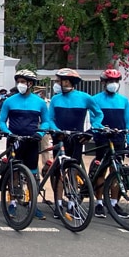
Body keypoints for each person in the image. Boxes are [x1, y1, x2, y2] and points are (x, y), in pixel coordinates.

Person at [47, 68, 103, 219]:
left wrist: (91, 131)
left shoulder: (85, 98)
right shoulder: (55, 99)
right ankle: (58, 203)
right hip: (60, 139)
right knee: (59, 172)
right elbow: (50, 119)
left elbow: (98, 114)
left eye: (61, 81)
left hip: (77, 139)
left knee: (73, 171)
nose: (58, 84)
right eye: (58, 81)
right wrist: (56, 130)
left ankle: (72, 203)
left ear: (70, 82)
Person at [0, 69, 49, 219]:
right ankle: (12, 203)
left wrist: (40, 133)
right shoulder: (9, 101)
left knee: (32, 174)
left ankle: (33, 205)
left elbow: (46, 121)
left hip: (32, 141)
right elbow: (2, 121)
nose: (20, 84)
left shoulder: (39, 102)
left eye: (23, 82)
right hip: (15, 140)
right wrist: (7, 132)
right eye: (18, 82)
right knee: (13, 171)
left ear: (30, 84)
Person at [91, 68, 129, 219]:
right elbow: (94, 120)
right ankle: (99, 203)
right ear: (103, 83)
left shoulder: (123, 100)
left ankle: (114, 203)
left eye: (115, 81)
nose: (113, 84)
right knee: (101, 172)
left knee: (116, 172)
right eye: (110, 81)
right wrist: (100, 129)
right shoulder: (95, 99)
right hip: (103, 139)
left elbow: (128, 121)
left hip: (119, 139)